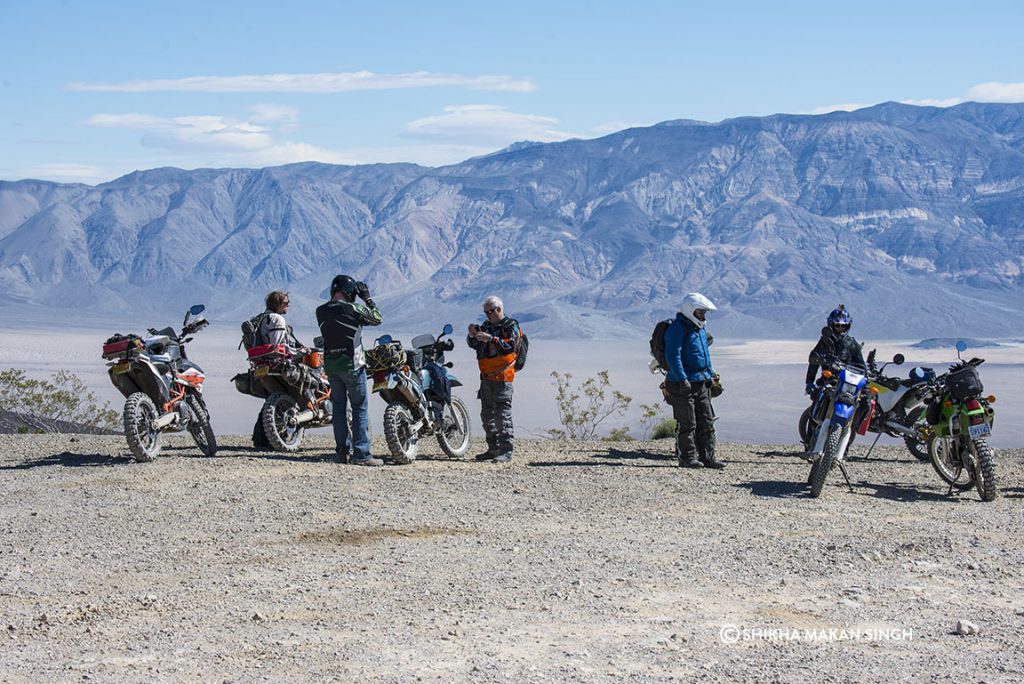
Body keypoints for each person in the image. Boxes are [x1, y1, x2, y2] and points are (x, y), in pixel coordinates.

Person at [316, 275, 383, 466]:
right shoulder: (352, 308)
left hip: (331, 366)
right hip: (352, 365)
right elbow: (377, 318)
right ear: (350, 292)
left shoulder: (320, 311)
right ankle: (362, 454)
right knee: (359, 408)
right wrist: (367, 298)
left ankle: (341, 452)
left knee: (338, 409)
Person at [663, 292, 723, 469]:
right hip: (682, 382)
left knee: (707, 420)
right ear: (690, 310)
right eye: (700, 312)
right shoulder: (677, 328)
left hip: (701, 380)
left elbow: (706, 354)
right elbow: (673, 355)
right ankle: (687, 458)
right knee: (687, 422)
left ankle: (708, 457)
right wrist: (682, 378)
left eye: (704, 313)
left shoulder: (700, 329)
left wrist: (711, 374)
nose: (703, 316)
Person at [466, 295, 521, 463]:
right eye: (485, 312)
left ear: (499, 309)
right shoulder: (487, 326)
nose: (488, 315)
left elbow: (510, 345)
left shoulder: (510, 325)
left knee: (502, 414)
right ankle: (493, 448)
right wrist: (473, 335)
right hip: (486, 377)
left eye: (490, 312)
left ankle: (506, 451)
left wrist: (493, 339)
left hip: (503, 377)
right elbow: (474, 345)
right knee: (486, 414)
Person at [251, 291, 301, 448]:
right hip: (277, 364)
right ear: (277, 304)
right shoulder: (277, 319)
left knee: (272, 399)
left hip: (261, 364)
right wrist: (299, 352)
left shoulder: (259, 318)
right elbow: (277, 346)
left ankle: (261, 439)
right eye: (286, 303)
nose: (288, 305)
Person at [805, 305, 865, 396]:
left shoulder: (852, 344)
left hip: (846, 384)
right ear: (831, 325)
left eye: (843, 326)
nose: (840, 328)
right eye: (837, 325)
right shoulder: (825, 341)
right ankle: (815, 410)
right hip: (827, 381)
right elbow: (814, 359)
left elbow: (861, 366)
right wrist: (809, 382)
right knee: (818, 397)